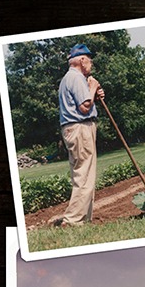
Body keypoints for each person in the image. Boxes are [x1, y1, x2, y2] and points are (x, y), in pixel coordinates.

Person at [51, 43, 105, 226]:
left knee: (82, 173)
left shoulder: (69, 78)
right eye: (89, 60)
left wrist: (94, 95)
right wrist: (93, 87)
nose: (91, 64)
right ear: (82, 60)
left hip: (74, 129)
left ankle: (83, 218)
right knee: (85, 174)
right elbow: (84, 108)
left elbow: (83, 104)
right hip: (80, 129)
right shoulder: (77, 78)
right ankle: (73, 220)